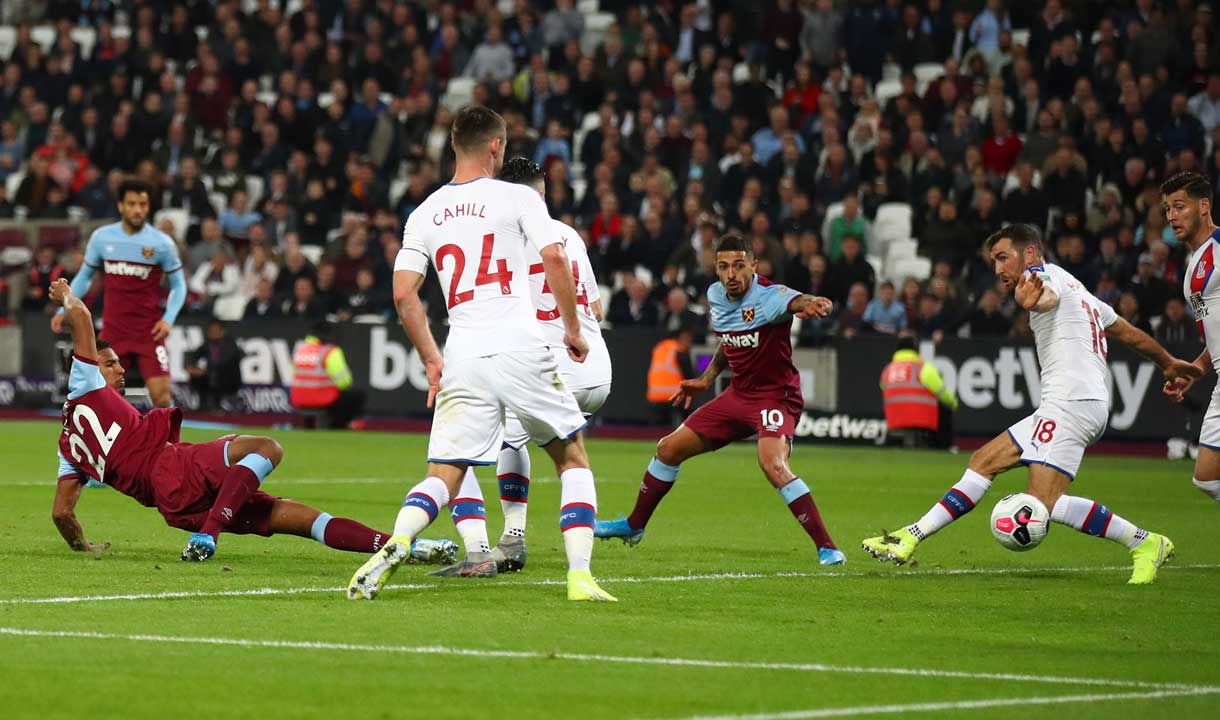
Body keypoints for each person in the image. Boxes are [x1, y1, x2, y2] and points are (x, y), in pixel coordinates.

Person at [346, 106, 615, 602]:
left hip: (463, 351)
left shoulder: (423, 212)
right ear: (496, 147)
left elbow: (404, 294)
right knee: (571, 457)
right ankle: (580, 576)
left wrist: (431, 358)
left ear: (452, 146)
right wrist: (574, 330)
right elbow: (554, 256)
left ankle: (400, 539)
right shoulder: (517, 196)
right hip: (519, 343)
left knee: (445, 472)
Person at [863, 224, 1198, 584]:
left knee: (1045, 504)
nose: (998, 269)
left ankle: (1146, 543)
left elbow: (1046, 296)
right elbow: (1128, 333)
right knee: (983, 462)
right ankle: (909, 537)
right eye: (994, 261)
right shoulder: (1081, 291)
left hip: (1072, 403)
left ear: (1031, 253)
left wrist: (1032, 301)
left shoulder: (1042, 279)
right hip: (1071, 403)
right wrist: (1167, 363)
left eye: (1004, 257)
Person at [48, 278, 455, 565]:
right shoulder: (85, 384)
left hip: (172, 507)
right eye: (110, 363)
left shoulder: (70, 449)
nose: (120, 370)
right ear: (86, 367)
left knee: (286, 516)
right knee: (267, 448)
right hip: (175, 466)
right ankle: (209, 534)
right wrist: (66, 294)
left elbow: (62, 513)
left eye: (119, 362)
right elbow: (82, 316)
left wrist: (82, 546)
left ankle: (400, 546)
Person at [595, 232, 846, 566]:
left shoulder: (769, 296)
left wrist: (813, 302)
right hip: (738, 396)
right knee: (667, 449)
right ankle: (634, 526)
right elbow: (729, 340)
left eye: (740, 266)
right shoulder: (716, 295)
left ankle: (826, 547)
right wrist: (706, 379)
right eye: (724, 266)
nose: (732, 274)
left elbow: (797, 300)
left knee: (772, 464)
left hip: (775, 397)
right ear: (715, 269)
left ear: (753, 266)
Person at [434, 157, 614, 577]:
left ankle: (499, 544)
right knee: (530, 442)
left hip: (550, 364)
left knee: (465, 445)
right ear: (543, 191)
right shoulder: (569, 235)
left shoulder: (503, 236)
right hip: (595, 369)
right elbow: (598, 307)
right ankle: (516, 543)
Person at [51, 178, 186, 408]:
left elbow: (179, 285)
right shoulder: (102, 238)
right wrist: (64, 307)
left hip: (149, 332)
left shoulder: (162, 244)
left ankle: (168, 445)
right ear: (121, 206)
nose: (137, 210)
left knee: (163, 398)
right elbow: (84, 277)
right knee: (101, 398)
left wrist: (168, 319)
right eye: (132, 203)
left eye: (142, 204)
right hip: (113, 331)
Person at [1161, 172, 1220, 505]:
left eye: (1179, 206)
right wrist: (1194, 372)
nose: (1171, 216)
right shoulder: (1193, 265)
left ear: (1204, 206)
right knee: (1208, 479)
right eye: (1168, 209)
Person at [879, 335, 958, 449]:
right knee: (945, 405)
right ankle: (947, 447)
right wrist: (954, 404)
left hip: (894, 422)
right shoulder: (924, 368)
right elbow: (944, 395)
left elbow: (885, 389)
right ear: (916, 351)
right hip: (922, 423)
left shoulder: (887, 370)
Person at [289, 322, 365, 429]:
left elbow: (294, 375)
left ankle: (311, 424)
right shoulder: (330, 351)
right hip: (322, 399)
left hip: (298, 399)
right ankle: (338, 426)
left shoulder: (300, 350)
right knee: (357, 395)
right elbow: (344, 382)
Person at [187, 319, 244, 411]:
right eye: (211, 331)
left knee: (215, 375)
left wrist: (205, 371)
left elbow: (225, 363)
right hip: (211, 375)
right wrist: (191, 366)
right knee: (197, 376)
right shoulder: (208, 343)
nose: (213, 333)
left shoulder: (230, 344)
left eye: (215, 330)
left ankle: (217, 404)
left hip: (229, 378)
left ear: (222, 331)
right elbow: (195, 355)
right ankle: (203, 403)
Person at [646, 327, 696, 426]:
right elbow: (689, 375)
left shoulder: (659, 348)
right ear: (680, 338)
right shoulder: (679, 350)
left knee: (656, 431)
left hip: (655, 396)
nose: (689, 342)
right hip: (674, 396)